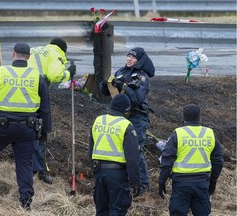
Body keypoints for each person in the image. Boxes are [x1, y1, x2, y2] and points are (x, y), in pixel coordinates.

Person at [0, 42, 51, 210]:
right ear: (29, 57)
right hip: (27, 128)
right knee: (24, 163)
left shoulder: (2, 72)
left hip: (1, 126)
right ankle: (26, 201)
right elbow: (45, 108)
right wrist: (44, 132)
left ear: (13, 54)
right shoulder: (36, 76)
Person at [100, 47, 155, 194]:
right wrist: (106, 87)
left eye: (133, 57)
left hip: (137, 117)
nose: (129, 59)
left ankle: (142, 184)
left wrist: (124, 87)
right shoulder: (120, 72)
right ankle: (126, 179)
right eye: (128, 56)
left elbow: (137, 98)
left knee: (135, 150)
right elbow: (114, 95)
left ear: (139, 61)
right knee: (119, 149)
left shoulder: (142, 77)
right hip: (120, 117)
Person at [158, 104, 224, 216]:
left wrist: (161, 181)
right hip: (202, 183)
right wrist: (212, 183)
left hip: (181, 185)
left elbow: (167, 160)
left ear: (184, 117)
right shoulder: (209, 133)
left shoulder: (178, 134)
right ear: (200, 117)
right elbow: (218, 161)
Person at [28, 37, 76, 184]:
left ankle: (29, 165)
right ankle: (40, 169)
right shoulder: (56, 53)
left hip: (22, 89)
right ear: (63, 50)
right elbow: (54, 75)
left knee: (26, 128)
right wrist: (68, 73)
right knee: (40, 129)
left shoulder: (35, 49)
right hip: (37, 92)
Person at [88, 93, 141, 216]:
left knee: (101, 211)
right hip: (117, 176)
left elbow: (90, 150)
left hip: (100, 173)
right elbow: (132, 158)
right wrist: (135, 181)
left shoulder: (98, 120)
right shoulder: (126, 125)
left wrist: (95, 172)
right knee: (117, 210)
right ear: (126, 110)